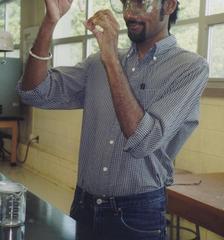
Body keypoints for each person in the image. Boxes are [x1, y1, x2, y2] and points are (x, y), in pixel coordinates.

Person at [17, 0, 209, 239]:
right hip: (84, 205)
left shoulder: (190, 68)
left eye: (140, 3)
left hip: (137, 214)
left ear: (169, 6)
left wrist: (110, 58)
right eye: (125, 4)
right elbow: (33, 92)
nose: (129, 13)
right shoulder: (97, 63)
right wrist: (50, 22)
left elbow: (143, 140)